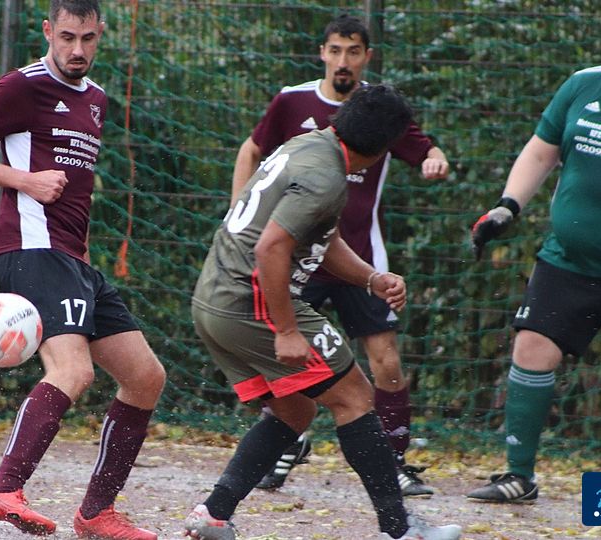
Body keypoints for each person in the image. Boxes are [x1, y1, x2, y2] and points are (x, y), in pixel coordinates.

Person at [184, 84, 461, 540]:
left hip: (213, 301)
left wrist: (371, 278)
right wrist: (286, 330)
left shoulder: (308, 145)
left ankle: (212, 515)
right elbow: (271, 248)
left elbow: (322, 239)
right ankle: (399, 530)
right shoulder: (326, 176)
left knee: (295, 410)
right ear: (385, 148)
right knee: (355, 397)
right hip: (248, 301)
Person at [0, 1, 166, 538]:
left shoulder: (97, 99)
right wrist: (25, 181)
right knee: (73, 370)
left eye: (88, 38)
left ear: (100, 33)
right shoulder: (22, 86)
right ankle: (4, 489)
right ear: (48, 31)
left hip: (72, 260)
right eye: (67, 37)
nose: (77, 49)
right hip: (31, 248)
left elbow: (78, 191)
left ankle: (95, 513)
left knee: (145, 378)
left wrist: (81, 256)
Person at [232, 14, 449, 496]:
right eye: (335, 50)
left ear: (367, 56)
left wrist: (435, 160)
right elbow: (250, 150)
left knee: (385, 359)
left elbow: (427, 149)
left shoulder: (378, 109)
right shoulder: (292, 101)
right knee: (277, 350)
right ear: (322, 53)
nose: (343, 61)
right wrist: (239, 210)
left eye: (353, 51)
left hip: (359, 257)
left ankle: (394, 461)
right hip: (298, 253)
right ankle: (288, 442)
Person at [467, 0, 601, 504]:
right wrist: (506, 207)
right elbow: (541, 150)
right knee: (532, 347)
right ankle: (518, 476)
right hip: (569, 261)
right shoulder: (581, 86)